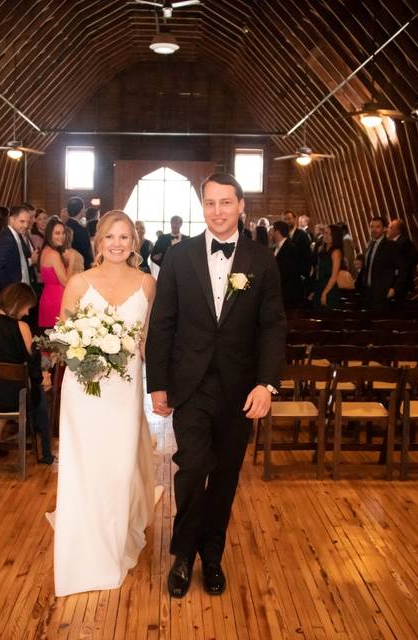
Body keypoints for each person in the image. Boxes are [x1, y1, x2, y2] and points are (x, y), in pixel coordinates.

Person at [147, 173, 285, 598]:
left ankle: (213, 555)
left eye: (226, 202)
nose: (218, 211)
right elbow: (163, 323)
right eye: (210, 203)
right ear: (201, 207)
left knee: (225, 477)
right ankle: (183, 555)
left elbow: (272, 326)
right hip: (191, 386)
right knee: (192, 470)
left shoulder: (262, 260)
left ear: (241, 205)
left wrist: (267, 383)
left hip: (240, 389)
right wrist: (159, 385)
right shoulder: (178, 255)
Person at [48, 210, 159, 597]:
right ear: (98, 242)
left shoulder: (147, 284)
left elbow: (147, 341)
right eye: (111, 237)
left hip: (123, 393)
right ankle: (83, 545)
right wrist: (83, 353)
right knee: (85, 466)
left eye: (125, 237)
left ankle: (113, 540)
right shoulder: (79, 282)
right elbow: (63, 335)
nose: (117, 244)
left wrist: (162, 385)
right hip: (84, 391)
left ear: (135, 243)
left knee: (118, 467)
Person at [0, 283, 52, 464]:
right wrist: (43, 379)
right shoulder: (21, 326)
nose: (27, 313)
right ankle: (45, 454)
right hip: (15, 398)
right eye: (27, 308)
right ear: (19, 303)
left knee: (4, 384)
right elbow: (33, 365)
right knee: (39, 393)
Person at [356, 216, 402, 312]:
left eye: (377, 227)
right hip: (367, 292)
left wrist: (394, 288)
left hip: (381, 293)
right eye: (372, 227)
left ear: (384, 229)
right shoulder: (370, 244)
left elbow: (402, 269)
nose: (374, 230)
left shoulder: (391, 245)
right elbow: (366, 266)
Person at [0, 204, 34, 295]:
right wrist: (9, 291)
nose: (26, 225)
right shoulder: (6, 239)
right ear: (11, 219)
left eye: (28, 222)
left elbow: (18, 263)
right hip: (11, 293)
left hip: (19, 290)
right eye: (22, 221)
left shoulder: (16, 235)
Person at [38, 217, 69, 329]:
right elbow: (65, 282)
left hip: (47, 296)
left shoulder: (45, 250)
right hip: (57, 298)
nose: (61, 236)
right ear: (49, 234)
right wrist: (71, 261)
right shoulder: (54, 254)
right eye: (57, 233)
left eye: (63, 233)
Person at [313, 224, 355, 309]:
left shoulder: (336, 252)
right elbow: (318, 271)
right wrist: (315, 290)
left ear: (335, 236)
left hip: (330, 287)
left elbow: (334, 275)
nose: (326, 236)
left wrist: (325, 292)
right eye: (325, 233)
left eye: (330, 234)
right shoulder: (322, 249)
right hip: (320, 285)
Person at [270, 220, 304, 308]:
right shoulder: (274, 248)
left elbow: (289, 272)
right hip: (278, 292)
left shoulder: (291, 248)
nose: (271, 233)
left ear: (277, 232)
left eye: (272, 230)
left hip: (288, 292)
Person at [387, 218, 418, 302]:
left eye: (390, 228)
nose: (387, 230)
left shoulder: (404, 242)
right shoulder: (393, 242)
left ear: (397, 230)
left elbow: (414, 258)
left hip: (402, 283)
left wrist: (400, 270)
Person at [62, 197, 94, 268]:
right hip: (81, 266)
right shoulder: (81, 229)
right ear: (81, 210)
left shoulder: (65, 225)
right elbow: (86, 252)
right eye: (84, 207)